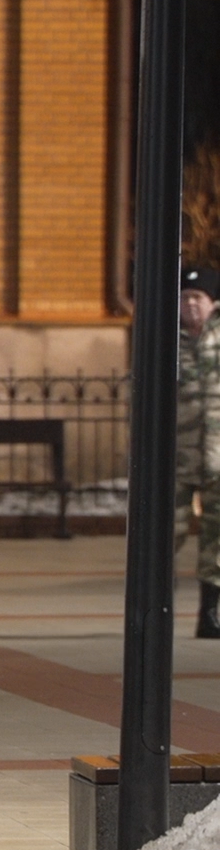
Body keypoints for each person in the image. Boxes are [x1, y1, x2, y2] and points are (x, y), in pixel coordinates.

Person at [177, 268, 220, 637]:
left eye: (198, 297)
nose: (190, 304)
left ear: (214, 304)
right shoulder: (163, 343)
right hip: (174, 461)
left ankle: (210, 615)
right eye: (185, 297)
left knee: (217, 540)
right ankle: (151, 611)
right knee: (162, 536)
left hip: (218, 459)